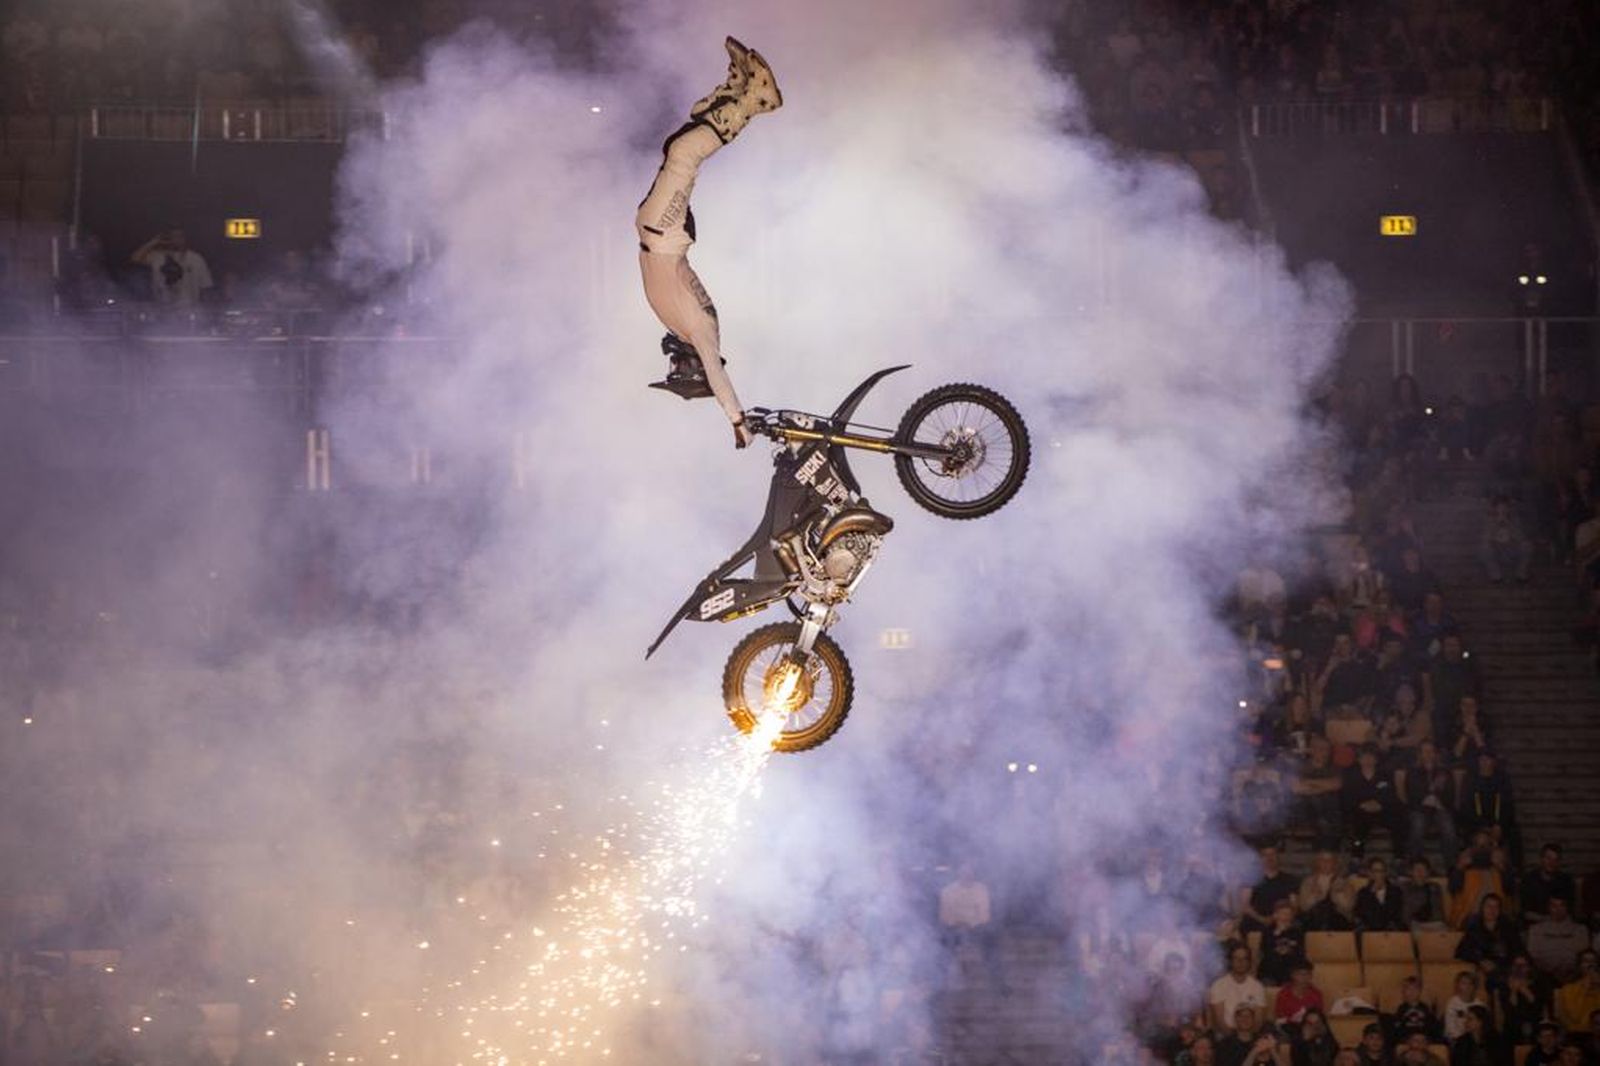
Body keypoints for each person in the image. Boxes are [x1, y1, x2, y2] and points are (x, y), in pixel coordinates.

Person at [635, 37, 782, 448]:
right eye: (683, 369)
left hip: (659, 233)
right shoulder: (701, 333)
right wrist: (738, 422)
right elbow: (718, 374)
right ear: (699, 365)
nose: (677, 364)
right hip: (665, 234)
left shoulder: (680, 328)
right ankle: (755, 101)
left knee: (676, 147)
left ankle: (735, 90)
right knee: (684, 153)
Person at [937, 862, 1002, 988]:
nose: (967, 875)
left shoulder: (982, 889)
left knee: (991, 941)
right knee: (943, 943)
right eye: (964, 872)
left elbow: (984, 915)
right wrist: (957, 924)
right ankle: (940, 986)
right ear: (958, 873)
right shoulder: (947, 891)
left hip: (976, 927)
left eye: (970, 872)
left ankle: (998, 983)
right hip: (954, 928)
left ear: (974, 874)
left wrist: (970, 924)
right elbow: (944, 915)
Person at [131, 227, 213, 308]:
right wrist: (153, 242)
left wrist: (204, 312)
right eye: (172, 237)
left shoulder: (196, 259)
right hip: (162, 310)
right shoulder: (158, 257)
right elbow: (135, 258)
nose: (176, 240)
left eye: (180, 236)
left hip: (188, 310)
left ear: (185, 239)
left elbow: (206, 288)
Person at [1454, 893, 1521, 982]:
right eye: (1489, 906)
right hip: (1485, 971)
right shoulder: (1474, 927)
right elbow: (1461, 951)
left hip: (1506, 967)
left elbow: (1518, 949)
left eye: (1496, 907)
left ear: (1500, 910)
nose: (1492, 910)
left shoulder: (1508, 927)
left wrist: (1517, 962)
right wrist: (1481, 961)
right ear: (1482, 908)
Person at [1210, 943, 1268, 1031]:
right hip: (1227, 1036)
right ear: (1230, 961)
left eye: (1244, 959)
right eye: (1236, 958)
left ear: (1249, 962)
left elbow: (1258, 1021)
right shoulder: (1218, 985)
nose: (1240, 962)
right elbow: (1220, 1022)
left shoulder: (1258, 987)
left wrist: (1247, 1038)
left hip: (1250, 1035)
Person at [1528, 897, 1588, 982]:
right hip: (1544, 977)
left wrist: (1572, 973)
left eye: (1562, 905)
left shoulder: (1580, 929)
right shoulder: (1536, 929)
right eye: (1554, 906)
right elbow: (1533, 956)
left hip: (1575, 977)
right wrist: (1550, 972)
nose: (1558, 909)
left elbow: (1585, 957)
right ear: (1548, 908)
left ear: (1567, 907)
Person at [1522, 844, 1577, 923]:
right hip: (1535, 924)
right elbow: (1525, 912)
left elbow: (1571, 911)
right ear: (1541, 859)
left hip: (1561, 924)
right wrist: (1545, 919)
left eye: (1556, 860)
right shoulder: (1529, 880)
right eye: (1548, 858)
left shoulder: (1566, 881)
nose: (1552, 863)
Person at [1260, 898, 1308, 984]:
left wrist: (1288, 951)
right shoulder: (1268, 931)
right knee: (1271, 961)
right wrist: (1277, 934)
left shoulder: (1297, 932)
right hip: (1271, 970)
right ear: (1275, 915)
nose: (1286, 917)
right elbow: (1265, 950)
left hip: (1289, 970)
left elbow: (1300, 953)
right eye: (1283, 914)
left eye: (1289, 914)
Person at [1384, 974, 1440, 1043]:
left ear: (1420, 992)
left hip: (1422, 1037)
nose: (1412, 992)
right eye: (1408, 989)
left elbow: (1430, 1027)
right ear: (1403, 992)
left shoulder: (1425, 1008)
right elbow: (1398, 1028)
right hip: (1407, 1038)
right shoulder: (1401, 1009)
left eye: (1415, 989)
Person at [1355, 858, 1407, 932]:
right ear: (1370, 873)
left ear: (1385, 873)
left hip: (1391, 933)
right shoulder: (1363, 893)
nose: (1379, 874)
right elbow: (1364, 916)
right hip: (1370, 933)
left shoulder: (1395, 892)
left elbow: (1395, 915)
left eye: (1382, 871)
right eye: (1376, 871)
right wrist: (1372, 895)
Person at [1554, 950, 1600, 1031]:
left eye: (1593, 961)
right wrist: (1585, 989)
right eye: (1586, 961)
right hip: (1577, 1034)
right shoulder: (1568, 989)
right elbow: (1574, 1016)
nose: (1590, 965)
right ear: (1579, 965)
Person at [1275, 961, 1325, 1030]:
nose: (1305, 978)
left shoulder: (1316, 994)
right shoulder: (1283, 994)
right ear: (1292, 975)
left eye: (1308, 974)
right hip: (1289, 1029)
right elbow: (1280, 1018)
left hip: (1310, 1029)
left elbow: (1319, 1015)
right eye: (1300, 974)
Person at [1442, 971, 1487, 1041]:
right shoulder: (1452, 1003)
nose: (1468, 986)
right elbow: (1450, 1029)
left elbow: (1482, 1027)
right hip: (1455, 1039)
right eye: (1464, 983)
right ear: (1458, 985)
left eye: (1470, 983)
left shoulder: (1479, 1004)